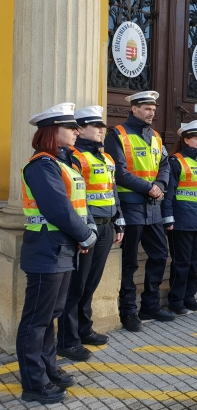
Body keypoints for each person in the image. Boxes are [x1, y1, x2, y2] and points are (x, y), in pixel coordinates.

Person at [17, 103, 98, 404]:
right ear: (52, 132)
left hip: (62, 249)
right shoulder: (41, 165)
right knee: (36, 320)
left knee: (51, 314)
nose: (78, 131)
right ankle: (33, 383)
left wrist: (86, 230)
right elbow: (57, 210)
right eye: (70, 127)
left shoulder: (65, 164)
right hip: (46, 251)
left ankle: (48, 368)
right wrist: (86, 235)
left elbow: (79, 204)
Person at [56, 106, 124, 361]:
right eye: (96, 127)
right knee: (76, 285)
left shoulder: (106, 158)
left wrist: (119, 221)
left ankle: (84, 330)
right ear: (81, 129)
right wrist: (81, 231)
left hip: (106, 226)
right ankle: (68, 340)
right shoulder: (73, 157)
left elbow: (112, 191)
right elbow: (74, 196)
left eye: (102, 127)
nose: (101, 131)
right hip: (86, 227)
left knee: (90, 284)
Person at [104, 91, 174, 332]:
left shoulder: (155, 136)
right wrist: (150, 188)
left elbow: (164, 166)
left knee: (158, 255)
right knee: (129, 261)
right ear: (133, 108)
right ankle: (128, 311)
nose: (151, 112)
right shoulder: (117, 135)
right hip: (131, 205)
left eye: (153, 108)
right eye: (146, 107)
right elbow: (118, 172)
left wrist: (160, 186)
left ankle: (150, 305)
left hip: (153, 208)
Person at [162, 120, 197, 314]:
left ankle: (189, 297)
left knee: (195, 262)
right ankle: (176, 300)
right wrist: (168, 217)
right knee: (182, 262)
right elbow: (169, 192)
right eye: (195, 138)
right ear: (185, 139)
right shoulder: (175, 161)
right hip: (182, 220)